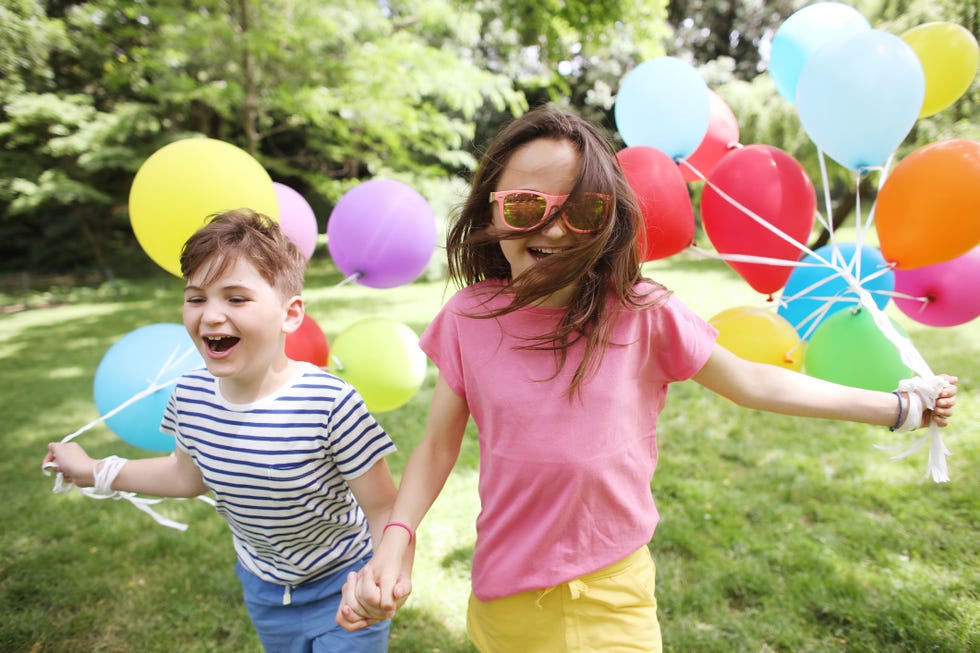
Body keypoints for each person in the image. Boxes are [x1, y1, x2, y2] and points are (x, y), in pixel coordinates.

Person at [334, 106, 959, 652]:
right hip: (502, 593)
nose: (549, 230)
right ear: (492, 217)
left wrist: (897, 407)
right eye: (525, 206)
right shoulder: (469, 319)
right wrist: (398, 538)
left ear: (605, 219)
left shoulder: (643, 312)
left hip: (608, 594)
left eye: (577, 211)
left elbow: (755, 383)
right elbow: (440, 441)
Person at [43, 209, 411, 653]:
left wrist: (379, 577)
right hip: (264, 589)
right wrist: (94, 471)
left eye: (236, 299)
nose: (211, 316)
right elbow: (185, 475)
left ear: (290, 314)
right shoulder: (191, 396)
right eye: (196, 299)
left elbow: (383, 507)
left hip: (344, 582)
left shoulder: (330, 403)